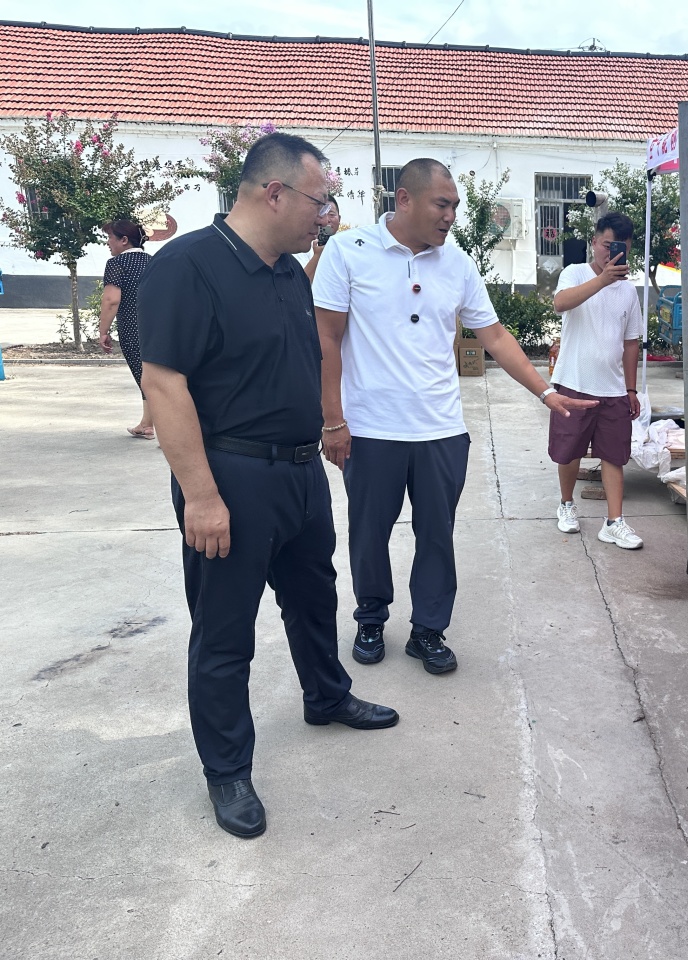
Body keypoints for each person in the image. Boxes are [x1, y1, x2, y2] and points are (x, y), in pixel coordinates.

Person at [138, 132, 399, 840]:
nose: (327, 215)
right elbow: (164, 384)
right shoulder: (188, 266)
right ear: (274, 193)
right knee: (225, 631)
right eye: (321, 201)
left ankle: (326, 695)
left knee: (314, 598)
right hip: (231, 476)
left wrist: (329, 431)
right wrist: (201, 496)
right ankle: (227, 769)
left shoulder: (286, 271)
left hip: (299, 471)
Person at [312, 158, 595, 672]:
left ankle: (428, 629)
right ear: (404, 199)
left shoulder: (458, 264)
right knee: (369, 533)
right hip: (371, 428)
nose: (451, 217)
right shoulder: (348, 252)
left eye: (455, 207)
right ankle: (371, 617)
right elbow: (326, 338)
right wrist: (333, 421)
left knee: (437, 535)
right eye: (442, 205)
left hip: (440, 429)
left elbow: (495, 336)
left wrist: (545, 392)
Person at [549, 211, 645, 549]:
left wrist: (631, 389)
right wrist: (602, 280)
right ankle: (566, 504)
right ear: (594, 242)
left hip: (614, 388)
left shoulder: (629, 291)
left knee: (614, 455)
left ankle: (614, 522)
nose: (612, 253)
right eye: (607, 245)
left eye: (621, 248)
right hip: (574, 382)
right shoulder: (574, 273)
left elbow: (631, 343)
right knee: (568, 452)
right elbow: (560, 303)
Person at [98, 220, 153, 438]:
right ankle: (147, 424)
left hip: (132, 326)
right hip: (159, 325)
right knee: (153, 374)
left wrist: (103, 331)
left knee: (145, 377)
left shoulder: (117, 263)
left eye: (110, 237)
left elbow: (111, 300)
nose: (107, 242)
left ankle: (168, 429)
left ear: (123, 240)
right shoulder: (153, 261)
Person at [302, 194, 341, 284]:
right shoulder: (303, 246)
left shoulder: (345, 246)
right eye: (321, 214)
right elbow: (299, 284)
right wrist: (318, 255)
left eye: (331, 214)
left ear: (339, 219)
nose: (326, 220)